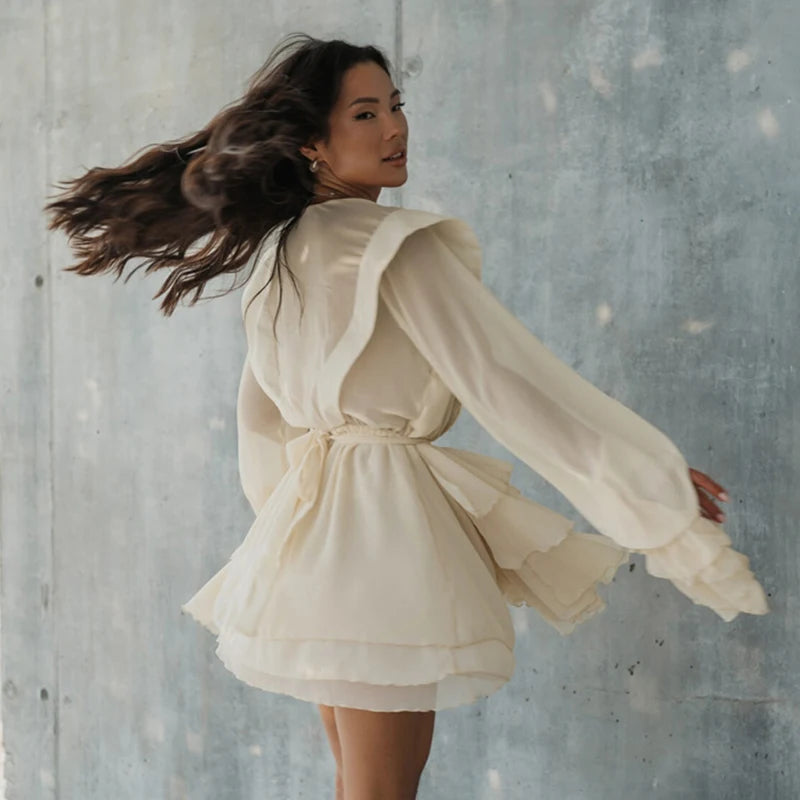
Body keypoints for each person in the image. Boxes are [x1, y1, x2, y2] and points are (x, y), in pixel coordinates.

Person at [45, 32, 769, 800]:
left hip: (313, 537)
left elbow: (259, 420)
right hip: (381, 541)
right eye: (365, 113)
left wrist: (289, 542)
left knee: (359, 785)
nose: (395, 129)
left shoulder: (280, 257)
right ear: (312, 144)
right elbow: (510, 382)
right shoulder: (393, 246)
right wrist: (649, 484)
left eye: (396, 106)